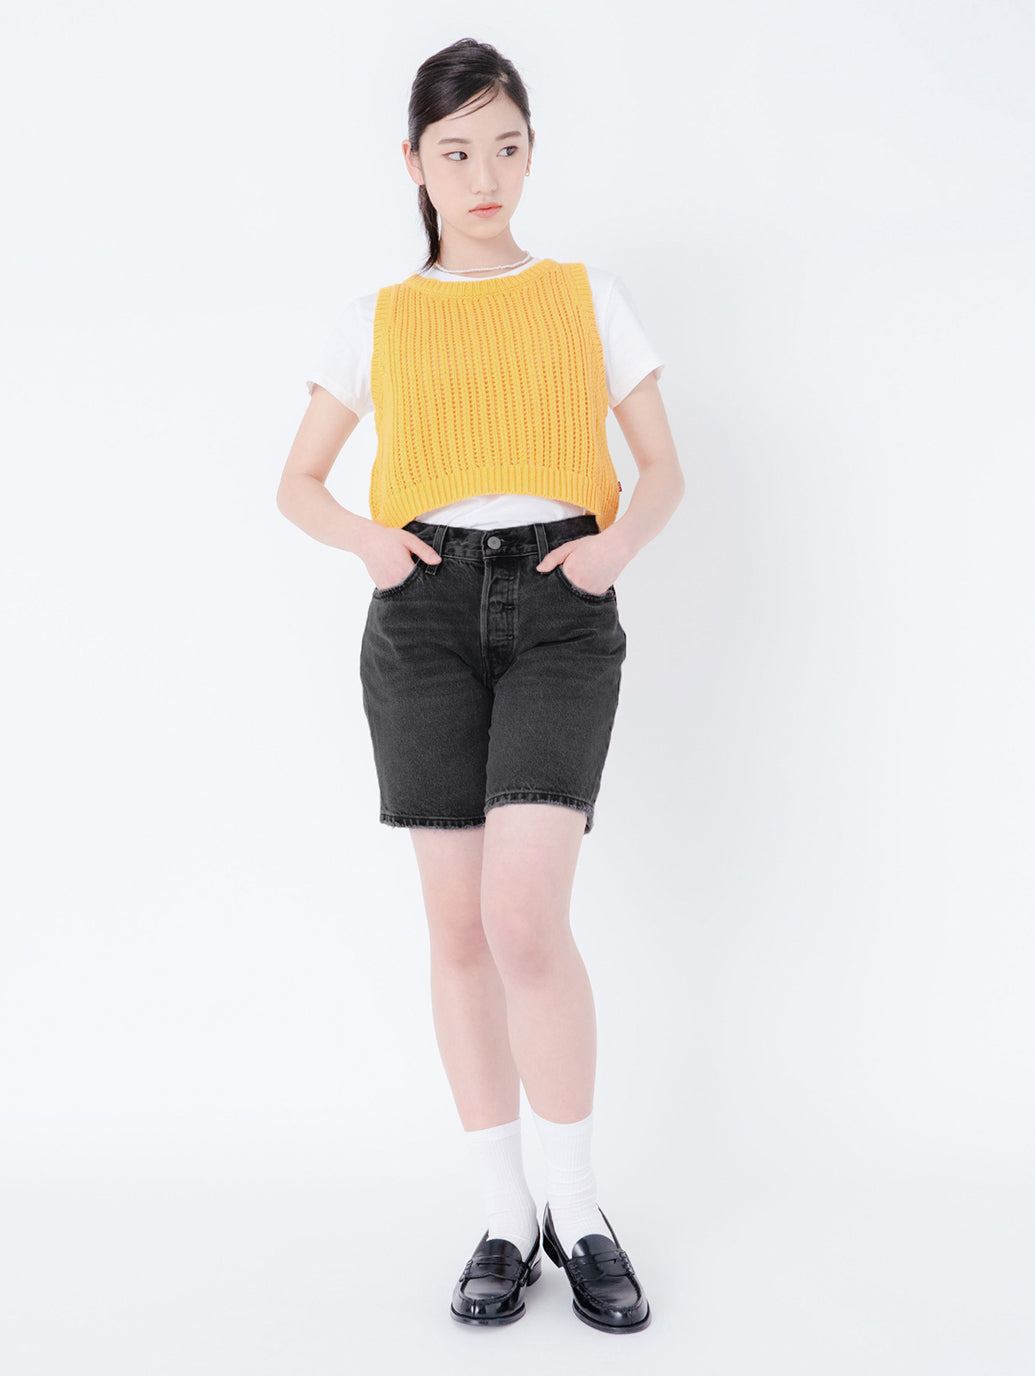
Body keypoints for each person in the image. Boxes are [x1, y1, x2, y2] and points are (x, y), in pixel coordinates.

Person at [276, 37, 684, 1333]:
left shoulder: (586, 296)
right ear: (415, 163)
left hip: (563, 608)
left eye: (505, 146)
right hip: (424, 616)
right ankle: (507, 1217)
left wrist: (613, 550)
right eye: (456, 151)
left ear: (530, 151)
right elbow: (296, 483)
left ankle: (579, 1207)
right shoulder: (376, 318)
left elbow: (664, 466)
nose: (484, 174)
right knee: (457, 931)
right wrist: (369, 544)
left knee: (524, 920)